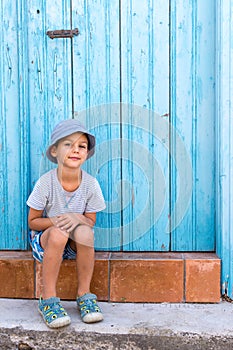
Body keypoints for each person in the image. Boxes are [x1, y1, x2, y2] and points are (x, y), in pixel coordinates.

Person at [27, 119, 106, 328]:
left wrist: (75, 218)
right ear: (54, 151)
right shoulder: (46, 182)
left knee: (86, 233)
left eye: (82, 146)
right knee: (59, 233)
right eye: (68, 144)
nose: (75, 150)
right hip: (45, 242)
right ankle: (48, 299)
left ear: (87, 153)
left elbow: (90, 221)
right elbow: (33, 222)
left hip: (72, 244)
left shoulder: (90, 184)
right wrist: (55, 221)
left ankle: (84, 295)